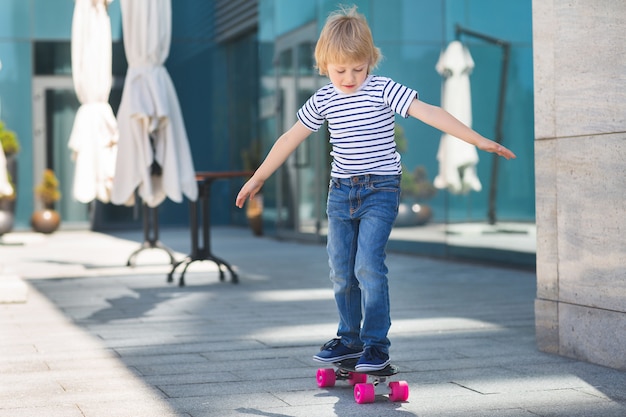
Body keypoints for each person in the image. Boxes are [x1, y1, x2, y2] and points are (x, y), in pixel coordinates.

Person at [235, 5, 516, 372]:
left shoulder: (384, 90)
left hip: (381, 190)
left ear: (370, 61)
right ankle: (348, 340)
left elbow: (430, 111)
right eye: (340, 71)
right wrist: (258, 176)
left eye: (358, 68)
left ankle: (375, 346)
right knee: (340, 269)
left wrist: (477, 140)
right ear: (324, 65)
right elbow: (291, 137)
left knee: (368, 265)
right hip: (340, 193)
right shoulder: (323, 98)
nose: (350, 77)